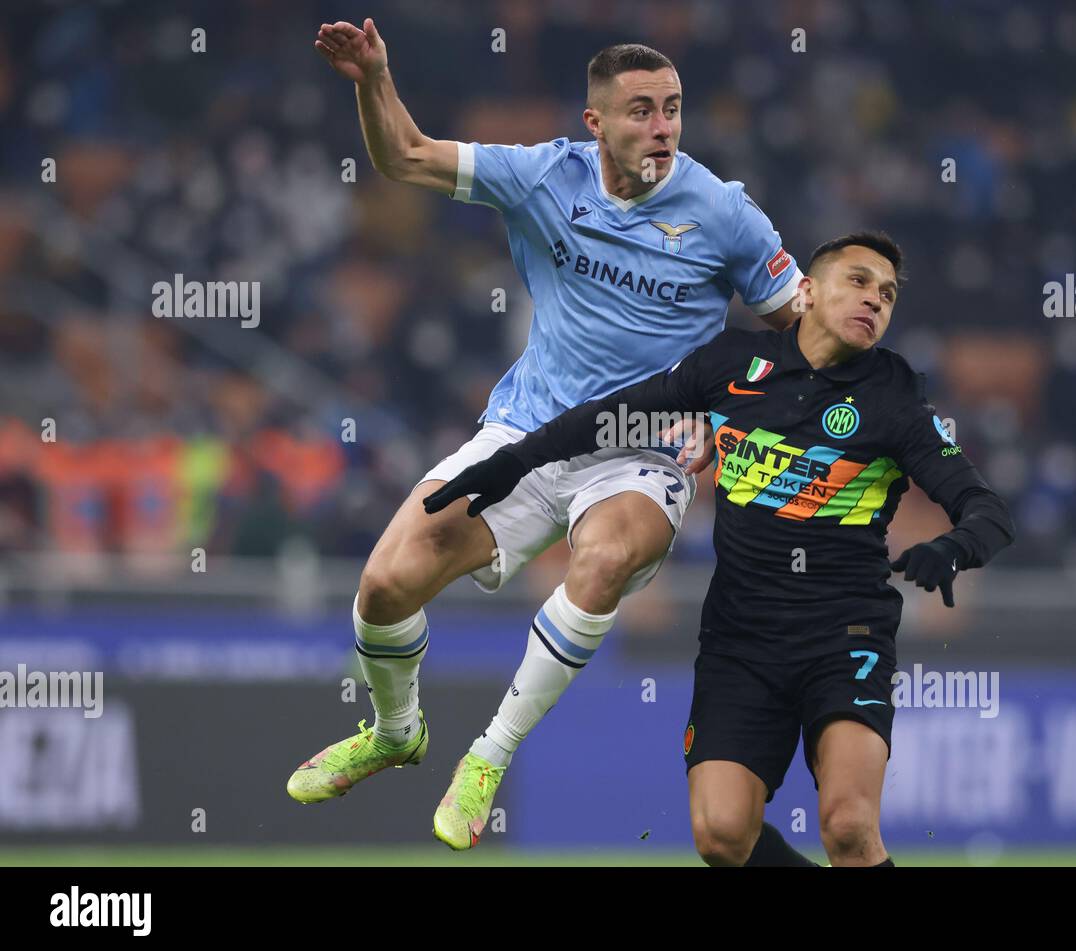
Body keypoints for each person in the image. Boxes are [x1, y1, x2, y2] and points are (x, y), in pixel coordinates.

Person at [290, 19, 805, 851]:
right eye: (641, 110)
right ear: (595, 123)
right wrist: (372, 80)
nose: (663, 126)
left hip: (642, 451)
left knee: (601, 560)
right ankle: (395, 733)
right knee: (385, 588)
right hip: (528, 432)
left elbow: (803, 332)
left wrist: (732, 413)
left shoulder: (724, 212)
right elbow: (407, 156)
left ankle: (489, 756)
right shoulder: (540, 176)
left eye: (673, 108)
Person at [423, 232, 1016, 865]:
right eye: (860, 282)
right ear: (808, 291)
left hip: (845, 635)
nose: (876, 300)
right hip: (741, 640)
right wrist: (512, 461)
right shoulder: (732, 365)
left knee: (846, 827)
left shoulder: (894, 400)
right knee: (722, 836)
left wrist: (954, 548)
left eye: (889, 294)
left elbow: (986, 509)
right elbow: (613, 414)